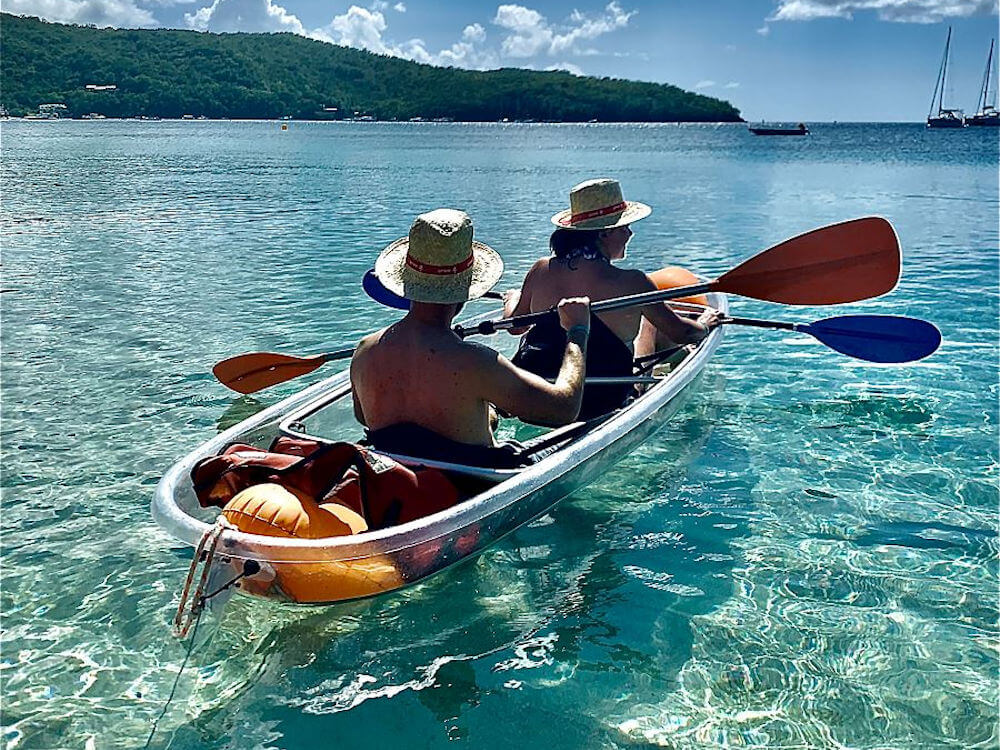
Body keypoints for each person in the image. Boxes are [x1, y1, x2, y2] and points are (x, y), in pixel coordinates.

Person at [350, 208, 592, 469]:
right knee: (580, 432)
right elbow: (565, 408)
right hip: (467, 485)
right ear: (466, 288)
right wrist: (577, 332)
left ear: (408, 282)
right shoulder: (477, 362)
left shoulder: (365, 350)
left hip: (395, 483)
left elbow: (364, 417)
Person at [504, 178, 722, 419]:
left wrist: (512, 299)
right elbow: (681, 333)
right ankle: (641, 379)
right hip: (601, 403)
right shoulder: (633, 282)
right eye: (623, 227)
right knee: (648, 320)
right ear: (605, 233)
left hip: (535, 398)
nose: (630, 233)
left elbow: (515, 326)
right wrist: (705, 324)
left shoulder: (541, 269)